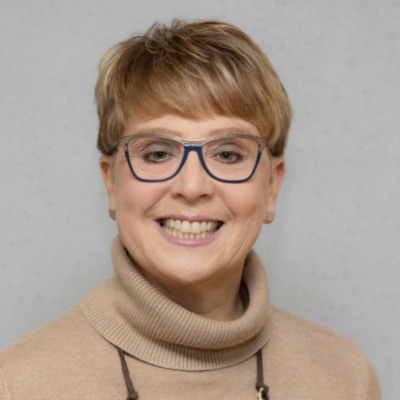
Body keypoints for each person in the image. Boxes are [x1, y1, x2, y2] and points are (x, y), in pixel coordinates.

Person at [0, 19, 381, 400]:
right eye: (158, 153)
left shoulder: (345, 377)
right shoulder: (17, 384)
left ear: (272, 187)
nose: (193, 186)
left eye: (228, 154)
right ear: (111, 183)